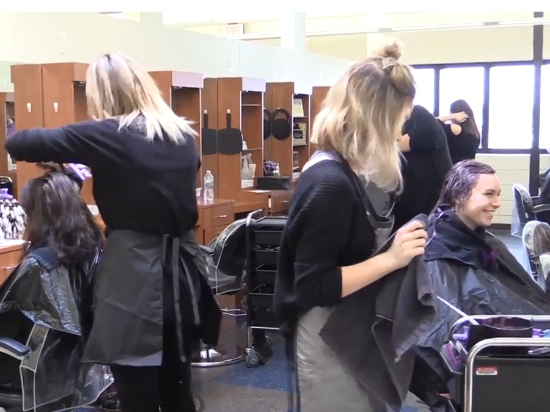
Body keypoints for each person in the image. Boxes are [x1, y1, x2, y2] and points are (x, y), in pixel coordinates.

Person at [4, 53, 221, 412]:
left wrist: (70, 155)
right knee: (178, 391)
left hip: (134, 282)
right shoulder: (181, 135)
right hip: (183, 278)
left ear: (102, 95)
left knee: (137, 398)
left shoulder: (108, 134)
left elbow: (21, 143)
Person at [273, 41, 428, 412]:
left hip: (347, 325)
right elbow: (315, 284)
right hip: (325, 334)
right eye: (400, 118)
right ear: (378, 118)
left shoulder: (347, 173)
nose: (402, 129)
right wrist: (391, 259)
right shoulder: (330, 184)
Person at [410, 160, 550, 410]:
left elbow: (504, 280)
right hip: (481, 358)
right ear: (459, 195)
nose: (497, 203)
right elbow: (441, 322)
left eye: (498, 194)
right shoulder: (437, 252)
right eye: (488, 194)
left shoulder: (484, 243)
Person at [0, 168, 108, 412]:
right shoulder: (92, 249)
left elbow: (6, 319)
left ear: (39, 214)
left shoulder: (38, 264)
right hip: (75, 368)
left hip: (31, 366)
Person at [394, 104, 452, 231]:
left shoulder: (419, 115)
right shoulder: (405, 120)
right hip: (413, 191)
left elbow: (399, 145)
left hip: (430, 191)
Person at [436, 99, 480, 164]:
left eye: (450, 112)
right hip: (466, 170)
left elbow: (432, 123)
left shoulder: (456, 129)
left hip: (454, 169)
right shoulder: (475, 133)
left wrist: (450, 117)